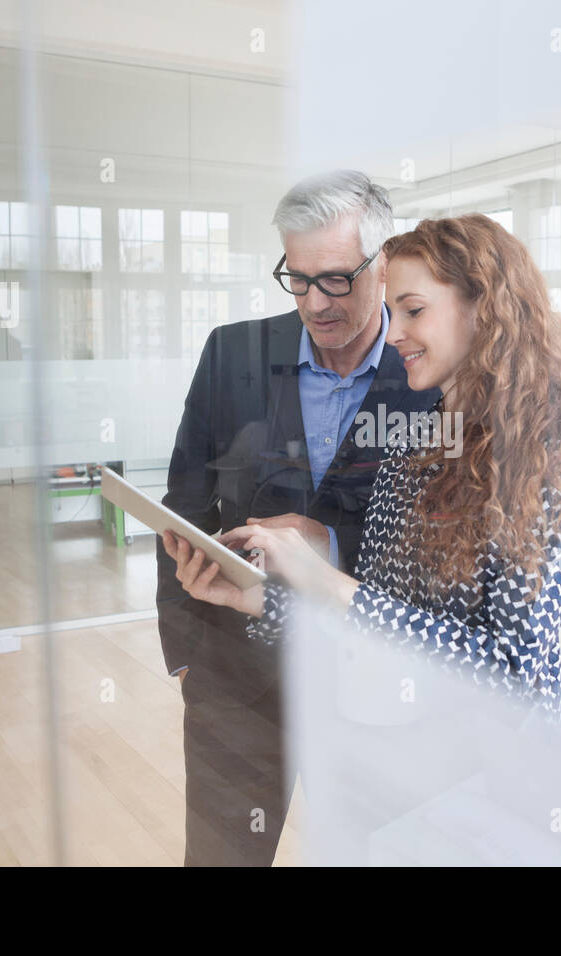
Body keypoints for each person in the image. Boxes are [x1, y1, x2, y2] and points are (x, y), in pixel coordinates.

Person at [165, 213, 561, 723]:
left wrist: (331, 584)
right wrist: (256, 598)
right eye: (392, 310)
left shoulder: (548, 459)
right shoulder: (417, 436)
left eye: (413, 311)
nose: (394, 333)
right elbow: (376, 616)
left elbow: (510, 673)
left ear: (484, 310)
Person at [155, 170, 439, 866]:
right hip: (236, 678)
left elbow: (441, 549)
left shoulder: (432, 376)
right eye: (299, 277)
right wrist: (187, 652)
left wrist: (332, 543)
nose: (316, 302)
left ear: (385, 264)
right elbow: (185, 502)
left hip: (371, 685)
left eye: (337, 279)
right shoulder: (232, 355)